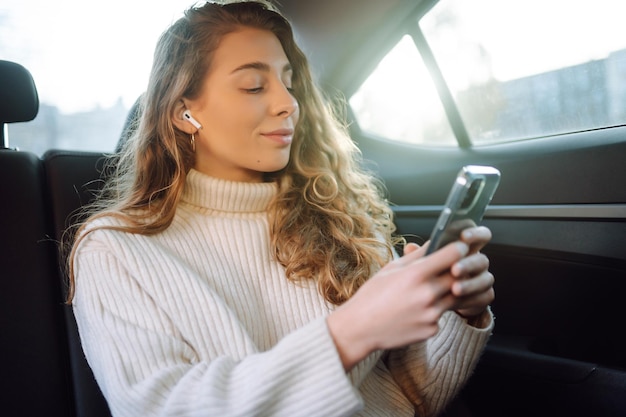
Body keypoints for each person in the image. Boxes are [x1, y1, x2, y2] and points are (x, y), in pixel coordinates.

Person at [67, 1, 495, 416]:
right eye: (254, 85)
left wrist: (460, 313)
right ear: (184, 111)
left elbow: (405, 399)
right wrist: (353, 330)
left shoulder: (336, 217)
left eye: (288, 83)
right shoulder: (116, 249)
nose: (287, 102)